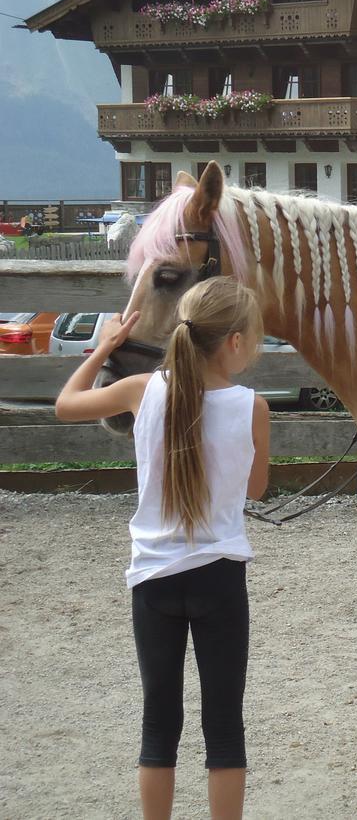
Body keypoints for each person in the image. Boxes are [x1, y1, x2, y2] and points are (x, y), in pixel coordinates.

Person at [55, 276, 270, 820]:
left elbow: (66, 404)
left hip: (151, 579)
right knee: (224, 725)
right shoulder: (253, 406)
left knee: (159, 722)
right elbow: (256, 488)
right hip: (220, 577)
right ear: (235, 343)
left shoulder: (141, 390)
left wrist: (103, 348)